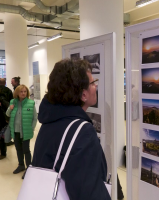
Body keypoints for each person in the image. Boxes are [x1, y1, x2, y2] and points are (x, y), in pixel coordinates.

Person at [32, 59, 110, 200]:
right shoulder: (82, 132)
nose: (96, 86)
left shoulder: (50, 120)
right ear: (83, 95)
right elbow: (90, 193)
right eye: (92, 83)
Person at [6, 85, 37, 179]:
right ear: (17, 93)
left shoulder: (31, 103)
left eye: (25, 91)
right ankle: (21, 165)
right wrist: (10, 108)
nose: (23, 93)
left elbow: (35, 118)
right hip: (15, 131)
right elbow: (7, 114)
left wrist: (31, 129)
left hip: (26, 131)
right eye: (21, 91)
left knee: (26, 150)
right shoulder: (12, 102)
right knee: (18, 149)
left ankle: (29, 168)